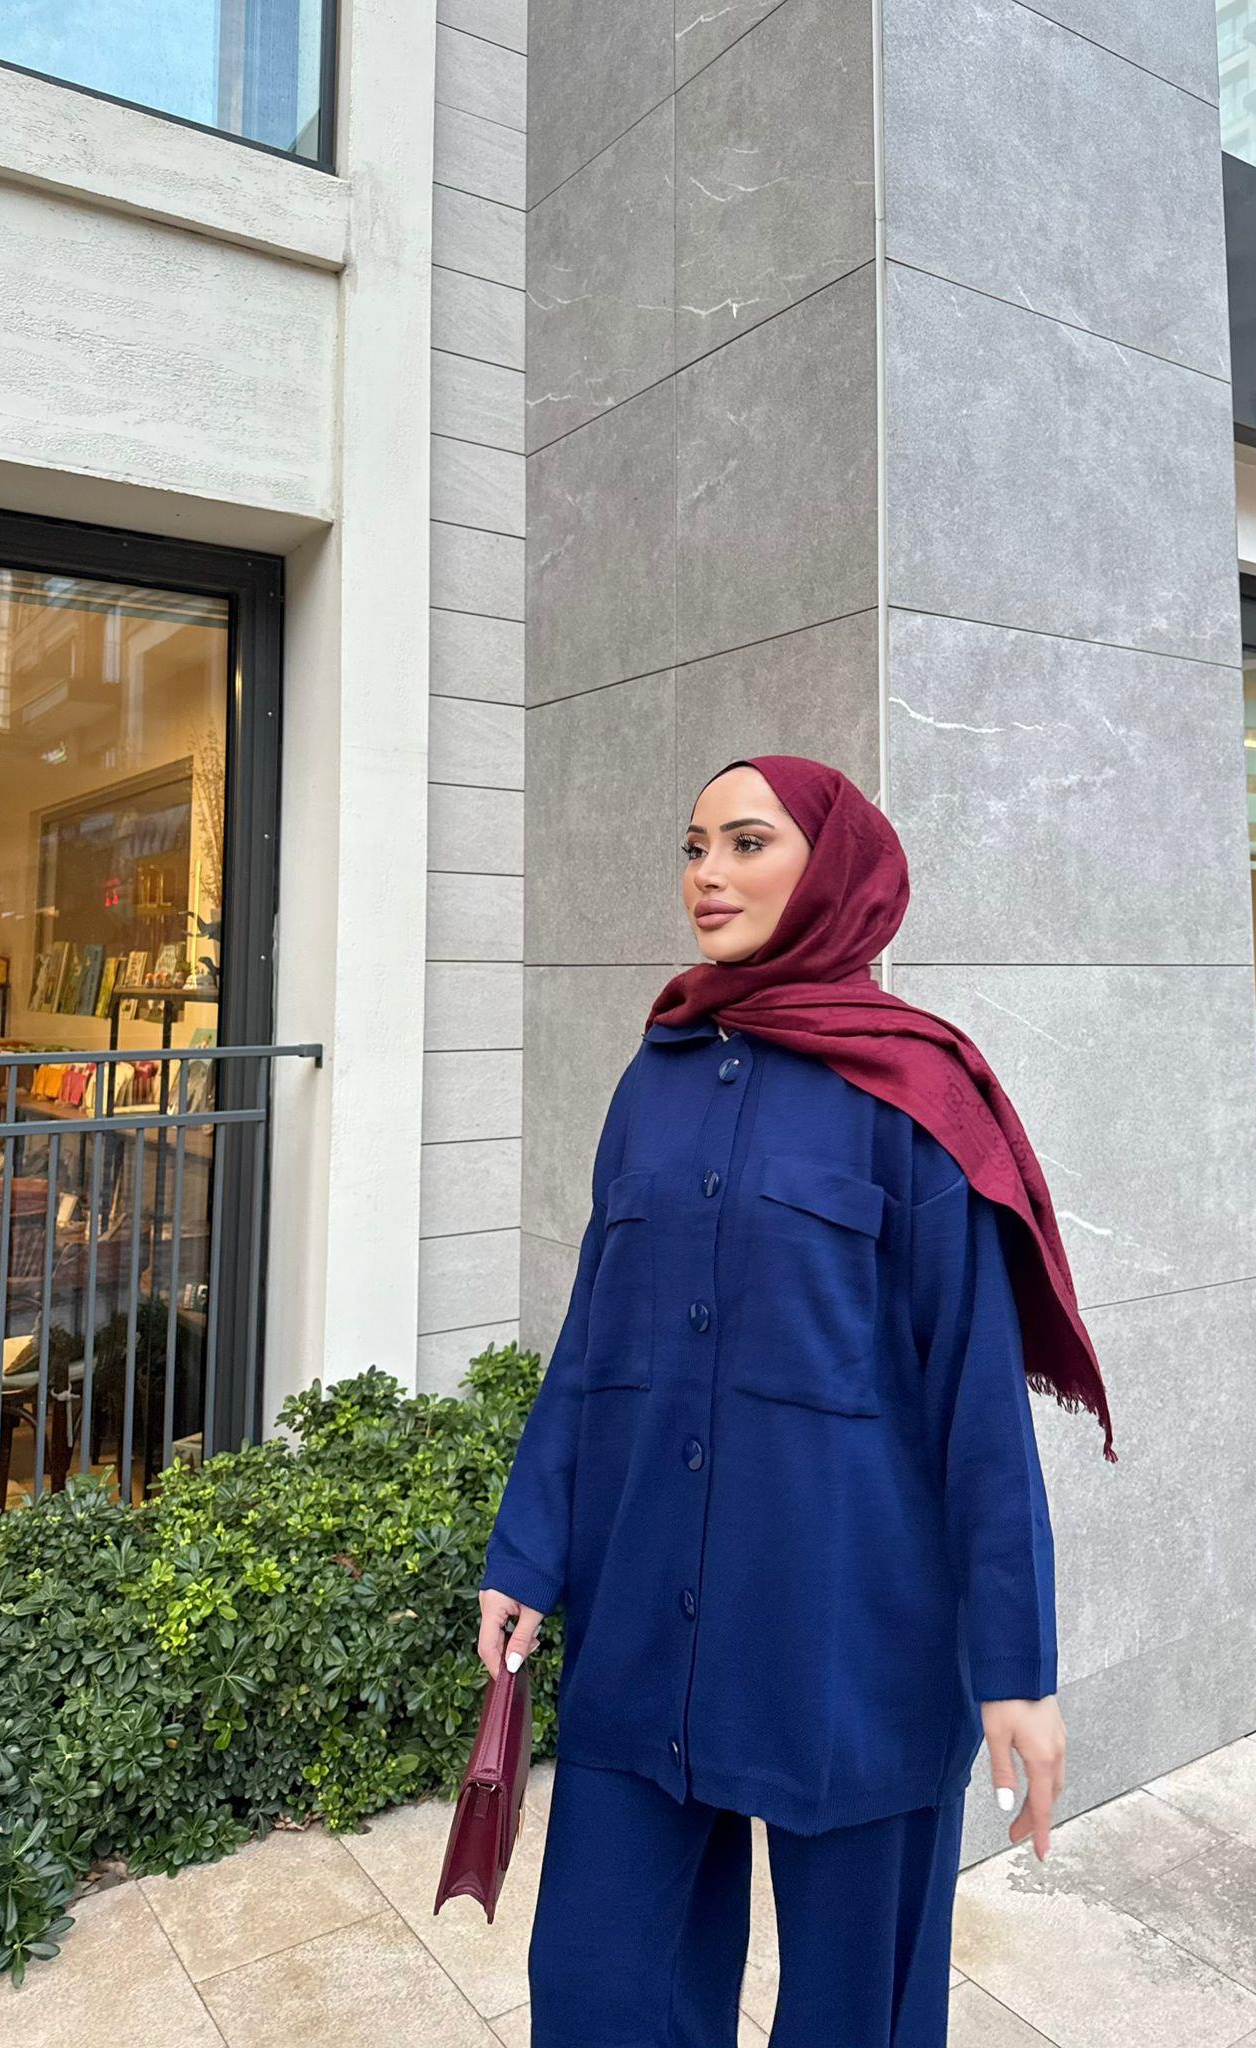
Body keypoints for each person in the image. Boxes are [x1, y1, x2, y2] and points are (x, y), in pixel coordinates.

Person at [475, 755, 1116, 2047]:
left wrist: (1016, 1670)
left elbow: (976, 1401)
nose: (707, 875)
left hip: (855, 1636)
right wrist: (529, 1549)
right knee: (600, 1987)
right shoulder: (654, 1077)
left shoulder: (914, 1091)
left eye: (747, 842)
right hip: (647, 1609)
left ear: (832, 870)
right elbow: (594, 1335)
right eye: (694, 845)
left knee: (855, 2014)